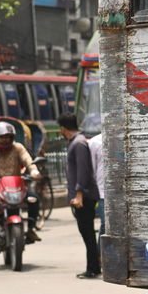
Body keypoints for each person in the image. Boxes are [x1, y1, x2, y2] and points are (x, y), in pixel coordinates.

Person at [0, 121, 40, 243]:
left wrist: (34, 171)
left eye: (8, 137)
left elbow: (28, 160)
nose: (5, 140)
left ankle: (31, 229)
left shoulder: (18, 147)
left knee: (34, 199)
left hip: (18, 186)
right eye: (2, 137)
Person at [57, 114, 101, 279]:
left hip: (83, 197)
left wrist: (79, 194)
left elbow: (83, 171)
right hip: (80, 196)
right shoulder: (77, 142)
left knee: (87, 233)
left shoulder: (79, 143)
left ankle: (93, 268)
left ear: (63, 128)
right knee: (86, 232)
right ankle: (94, 265)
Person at [88, 130, 105, 237]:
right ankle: (100, 253)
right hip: (102, 191)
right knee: (106, 225)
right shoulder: (95, 142)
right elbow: (91, 169)